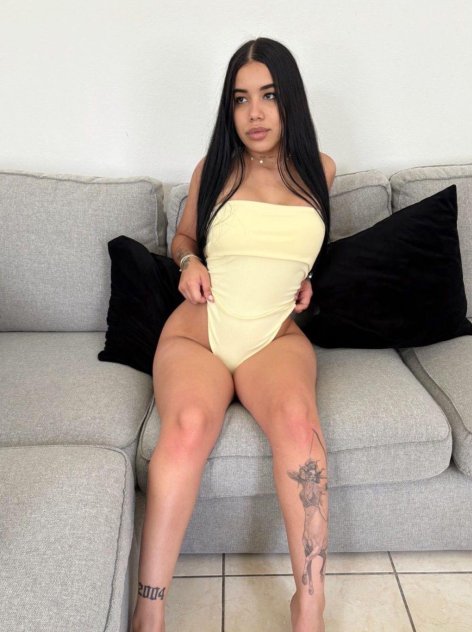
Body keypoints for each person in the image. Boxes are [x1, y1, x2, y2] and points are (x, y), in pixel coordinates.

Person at [131, 36, 336, 632]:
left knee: (299, 427)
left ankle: (309, 607)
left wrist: (306, 279)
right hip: (203, 332)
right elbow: (183, 238)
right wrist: (188, 262)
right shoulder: (214, 168)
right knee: (188, 427)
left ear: (290, 100)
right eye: (241, 99)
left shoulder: (321, 170)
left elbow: (302, 245)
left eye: (268, 96)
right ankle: (149, 608)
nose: (255, 113)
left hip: (273, 336)